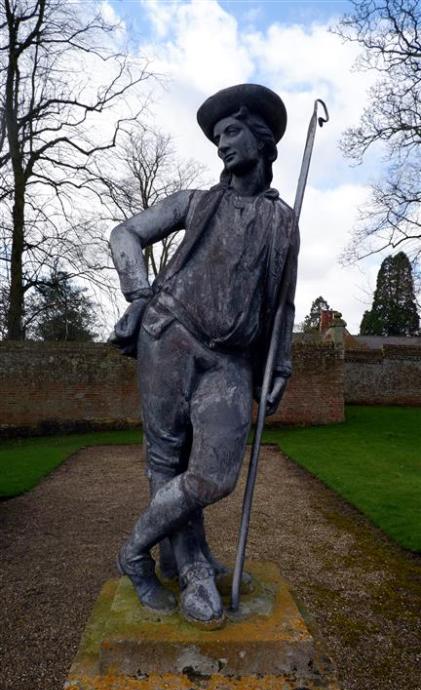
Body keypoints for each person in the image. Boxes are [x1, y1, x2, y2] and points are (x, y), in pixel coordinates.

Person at [109, 83, 299, 628]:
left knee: (215, 475)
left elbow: (283, 303)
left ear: (260, 139)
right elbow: (125, 234)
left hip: (232, 359)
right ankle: (189, 567)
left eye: (232, 132)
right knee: (165, 460)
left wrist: (280, 364)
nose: (222, 145)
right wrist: (139, 294)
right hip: (169, 334)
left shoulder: (283, 222)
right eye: (217, 137)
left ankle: (134, 551)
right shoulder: (196, 202)